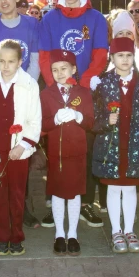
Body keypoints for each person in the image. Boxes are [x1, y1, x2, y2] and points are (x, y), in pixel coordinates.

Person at [39, 0, 109, 227]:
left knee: (84, 150)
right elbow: (45, 56)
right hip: (56, 91)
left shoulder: (96, 18)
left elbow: (100, 56)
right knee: (55, 148)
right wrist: (54, 87)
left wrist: (81, 86)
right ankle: (54, 200)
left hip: (84, 91)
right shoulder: (50, 19)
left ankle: (86, 202)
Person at [92, 37, 139, 253]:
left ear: (134, 57)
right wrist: (105, 122)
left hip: (135, 146)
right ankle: (116, 231)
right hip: (111, 146)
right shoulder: (102, 83)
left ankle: (129, 230)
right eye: (120, 55)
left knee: (130, 188)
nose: (124, 59)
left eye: (129, 55)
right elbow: (92, 117)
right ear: (112, 57)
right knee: (113, 188)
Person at [0, 40, 42, 256]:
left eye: (11, 62)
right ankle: (1, 236)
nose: (6, 66)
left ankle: (16, 236)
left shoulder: (29, 84)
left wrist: (24, 144)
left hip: (18, 149)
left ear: (20, 62)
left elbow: (35, 120)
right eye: (1, 61)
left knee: (16, 193)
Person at [40, 49, 94, 255]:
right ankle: (59, 233)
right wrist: (54, 120)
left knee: (74, 194)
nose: (60, 73)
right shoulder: (46, 94)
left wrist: (78, 116)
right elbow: (42, 123)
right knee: (57, 192)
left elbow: (91, 122)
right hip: (56, 153)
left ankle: (73, 233)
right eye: (55, 70)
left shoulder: (83, 93)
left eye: (64, 68)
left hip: (77, 152)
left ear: (74, 69)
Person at [107, 10, 139, 76]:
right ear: (114, 35)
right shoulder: (108, 56)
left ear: (134, 36)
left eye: (129, 33)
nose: (125, 36)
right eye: (120, 33)